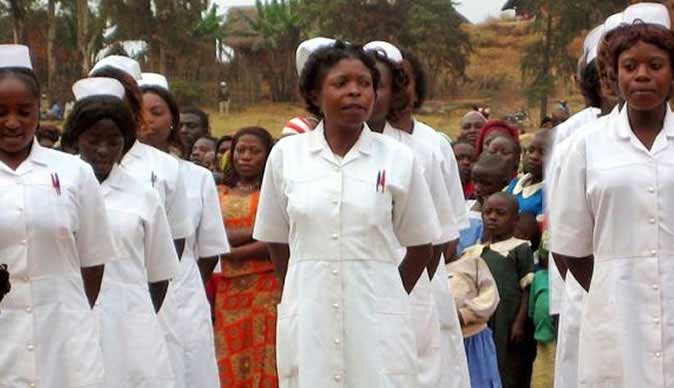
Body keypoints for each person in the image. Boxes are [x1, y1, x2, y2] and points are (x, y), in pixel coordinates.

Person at [254, 41, 439, 387]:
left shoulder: (398, 159)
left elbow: (421, 247)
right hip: (309, 315)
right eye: (341, 84)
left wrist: (385, 294)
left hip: (378, 320)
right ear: (314, 93)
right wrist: (301, 288)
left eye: (364, 84)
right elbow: (277, 240)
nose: (355, 93)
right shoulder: (286, 156)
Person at [550, 4, 674, 387]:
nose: (642, 76)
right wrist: (611, 292)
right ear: (613, 75)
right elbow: (570, 249)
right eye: (630, 66)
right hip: (614, 315)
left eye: (655, 65)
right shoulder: (586, 146)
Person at [0, 44, 117, 388]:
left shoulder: (74, 173)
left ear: (40, 109)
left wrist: (69, 313)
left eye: (23, 111)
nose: (12, 122)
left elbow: (93, 262)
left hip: (63, 337)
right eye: (0, 111)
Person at [65, 77, 178, 388]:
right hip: (69, 321)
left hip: (131, 326)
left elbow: (159, 273)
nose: (103, 150)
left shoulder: (143, 195)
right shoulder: (57, 186)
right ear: (76, 138)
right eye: (93, 140)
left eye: (113, 141)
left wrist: (135, 316)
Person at [90, 55, 193, 387]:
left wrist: (138, 310)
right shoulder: (66, 175)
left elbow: (170, 250)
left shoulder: (165, 168)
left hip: (142, 305)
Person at [364, 40, 459, 388]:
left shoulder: (421, 151)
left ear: (395, 93)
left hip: (412, 287)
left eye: (378, 86)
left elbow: (441, 238)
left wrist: (405, 292)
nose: (366, 94)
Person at [139, 72, 228, 388]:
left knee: (188, 371)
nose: (147, 121)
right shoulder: (114, 177)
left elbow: (208, 251)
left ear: (173, 120)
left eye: (157, 112)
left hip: (184, 292)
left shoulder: (197, 178)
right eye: (138, 112)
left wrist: (181, 282)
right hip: (134, 291)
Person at [396, 47, 472, 388]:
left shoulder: (434, 145)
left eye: (403, 80)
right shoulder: (363, 142)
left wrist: (416, 281)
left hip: (426, 276)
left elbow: (449, 231)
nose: (395, 89)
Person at [213, 126, 280, 387]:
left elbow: (274, 238)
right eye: (240, 150)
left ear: (267, 156)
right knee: (229, 352)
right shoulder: (219, 192)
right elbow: (209, 230)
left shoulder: (273, 193)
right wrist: (252, 232)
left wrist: (228, 249)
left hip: (266, 286)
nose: (246, 156)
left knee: (264, 351)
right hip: (228, 287)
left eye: (255, 151)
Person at [479, 192, 536, 388]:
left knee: (507, 366)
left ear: (515, 219)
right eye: (488, 212)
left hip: (508, 319)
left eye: (500, 213)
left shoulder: (520, 248)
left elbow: (527, 287)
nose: (492, 217)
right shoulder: (478, 251)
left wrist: (519, 322)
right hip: (484, 319)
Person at [447, 244, 502, 388]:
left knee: (479, 381)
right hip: (446, 341)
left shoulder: (472, 262)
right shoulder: (429, 269)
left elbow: (490, 297)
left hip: (474, 340)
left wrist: (464, 314)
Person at [456, 153, 511, 258]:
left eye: (486, 184)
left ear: (504, 184)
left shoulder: (503, 217)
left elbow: (486, 247)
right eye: (475, 181)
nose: (477, 188)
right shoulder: (465, 206)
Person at [506, 130, 550, 218]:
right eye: (530, 150)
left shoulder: (549, 192)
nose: (533, 156)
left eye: (543, 153)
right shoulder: (514, 184)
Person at [529, 251, 556, 388]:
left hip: (558, 339)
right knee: (541, 378)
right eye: (545, 254)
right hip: (542, 339)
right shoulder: (539, 277)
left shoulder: (564, 278)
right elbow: (532, 309)